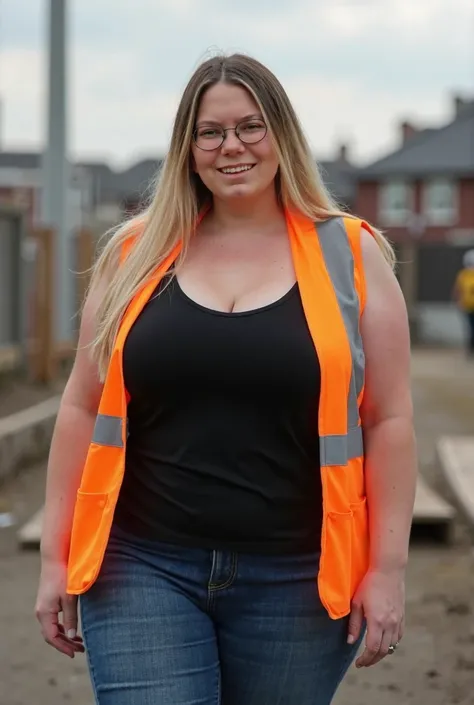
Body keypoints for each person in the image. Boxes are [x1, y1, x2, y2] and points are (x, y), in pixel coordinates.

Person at [35, 53, 417, 705]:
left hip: (300, 577)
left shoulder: (352, 255)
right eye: (210, 131)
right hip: (141, 566)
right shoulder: (134, 254)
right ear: (187, 147)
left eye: (250, 126)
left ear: (282, 136)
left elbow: (388, 419)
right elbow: (81, 405)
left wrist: (387, 569)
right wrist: (53, 557)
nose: (231, 146)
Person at [453, 249, 474, 356]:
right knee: (470, 329)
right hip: (468, 306)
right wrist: (458, 302)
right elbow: (458, 289)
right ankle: (470, 349)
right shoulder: (463, 275)